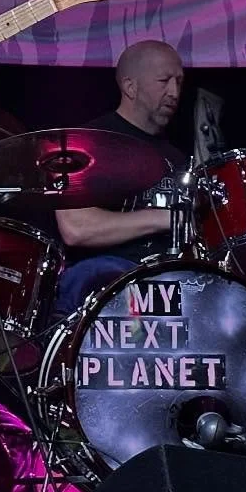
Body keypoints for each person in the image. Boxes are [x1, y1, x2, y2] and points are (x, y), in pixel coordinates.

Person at [53, 40, 188, 314]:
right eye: (164, 81)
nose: (174, 92)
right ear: (130, 87)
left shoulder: (178, 158)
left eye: (179, 82)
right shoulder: (85, 144)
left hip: (173, 293)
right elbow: (75, 228)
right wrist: (165, 218)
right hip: (102, 295)